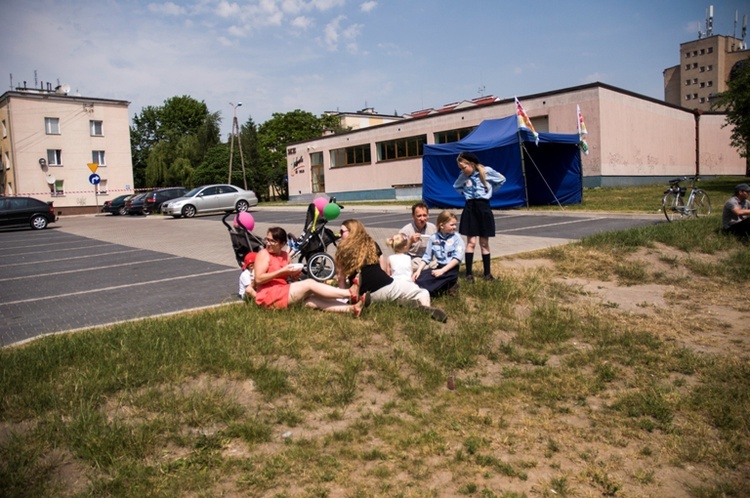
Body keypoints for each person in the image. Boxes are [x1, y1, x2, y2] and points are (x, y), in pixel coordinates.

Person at [336, 219, 446, 322]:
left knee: (391, 295)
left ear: (351, 231)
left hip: (362, 293)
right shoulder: (370, 244)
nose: (340, 234)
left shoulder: (341, 251)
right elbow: (382, 266)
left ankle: (399, 302)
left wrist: (344, 296)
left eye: (342, 231)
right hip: (385, 286)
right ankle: (425, 308)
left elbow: (341, 278)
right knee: (422, 291)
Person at [254, 226, 369, 316]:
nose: (268, 243)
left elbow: (288, 276)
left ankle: (352, 309)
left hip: (282, 292)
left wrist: (294, 275)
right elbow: (259, 279)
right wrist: (282, 271)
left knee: (312, 299)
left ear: (282, 244)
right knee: (309, 283)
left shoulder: (285, 256)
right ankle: (349, 293)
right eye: (267, 240)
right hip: (268, 296)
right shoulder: (264, 254)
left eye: (272, 241)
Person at [453, 151, 506, 282]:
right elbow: (456, 186)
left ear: (471, 164)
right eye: (461, 169)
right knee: (471, 242)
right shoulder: (463, 176)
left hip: (484, 208)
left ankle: (487, 274)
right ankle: (469, 274)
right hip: (470, 208)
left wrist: (490, 190)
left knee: (484, 243)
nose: (463, 171)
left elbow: (501, 180)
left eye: (464, 168)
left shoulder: (486, 171)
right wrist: (465, 192)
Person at [414, 210, 465, 297]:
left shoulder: (457, 238)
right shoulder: (433, 238)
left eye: (455, 224)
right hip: (439, 267)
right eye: (452, 225)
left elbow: (457, 258)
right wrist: (418, 270)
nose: (454, 227)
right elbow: (427, 256)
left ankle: (450, 286)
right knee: (418, 278)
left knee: (425, 283)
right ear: (442, 225)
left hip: (450, 270)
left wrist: (442, 271)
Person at [399, 202, 437, 270]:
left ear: (428, 216)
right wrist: (410, 241)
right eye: (419, 216)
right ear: (413, 216)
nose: (422, 219)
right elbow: (400, 252)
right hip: (413, 259)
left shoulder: (433, 228)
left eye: (424, 215)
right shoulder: (405, 231)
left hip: (429, 259)